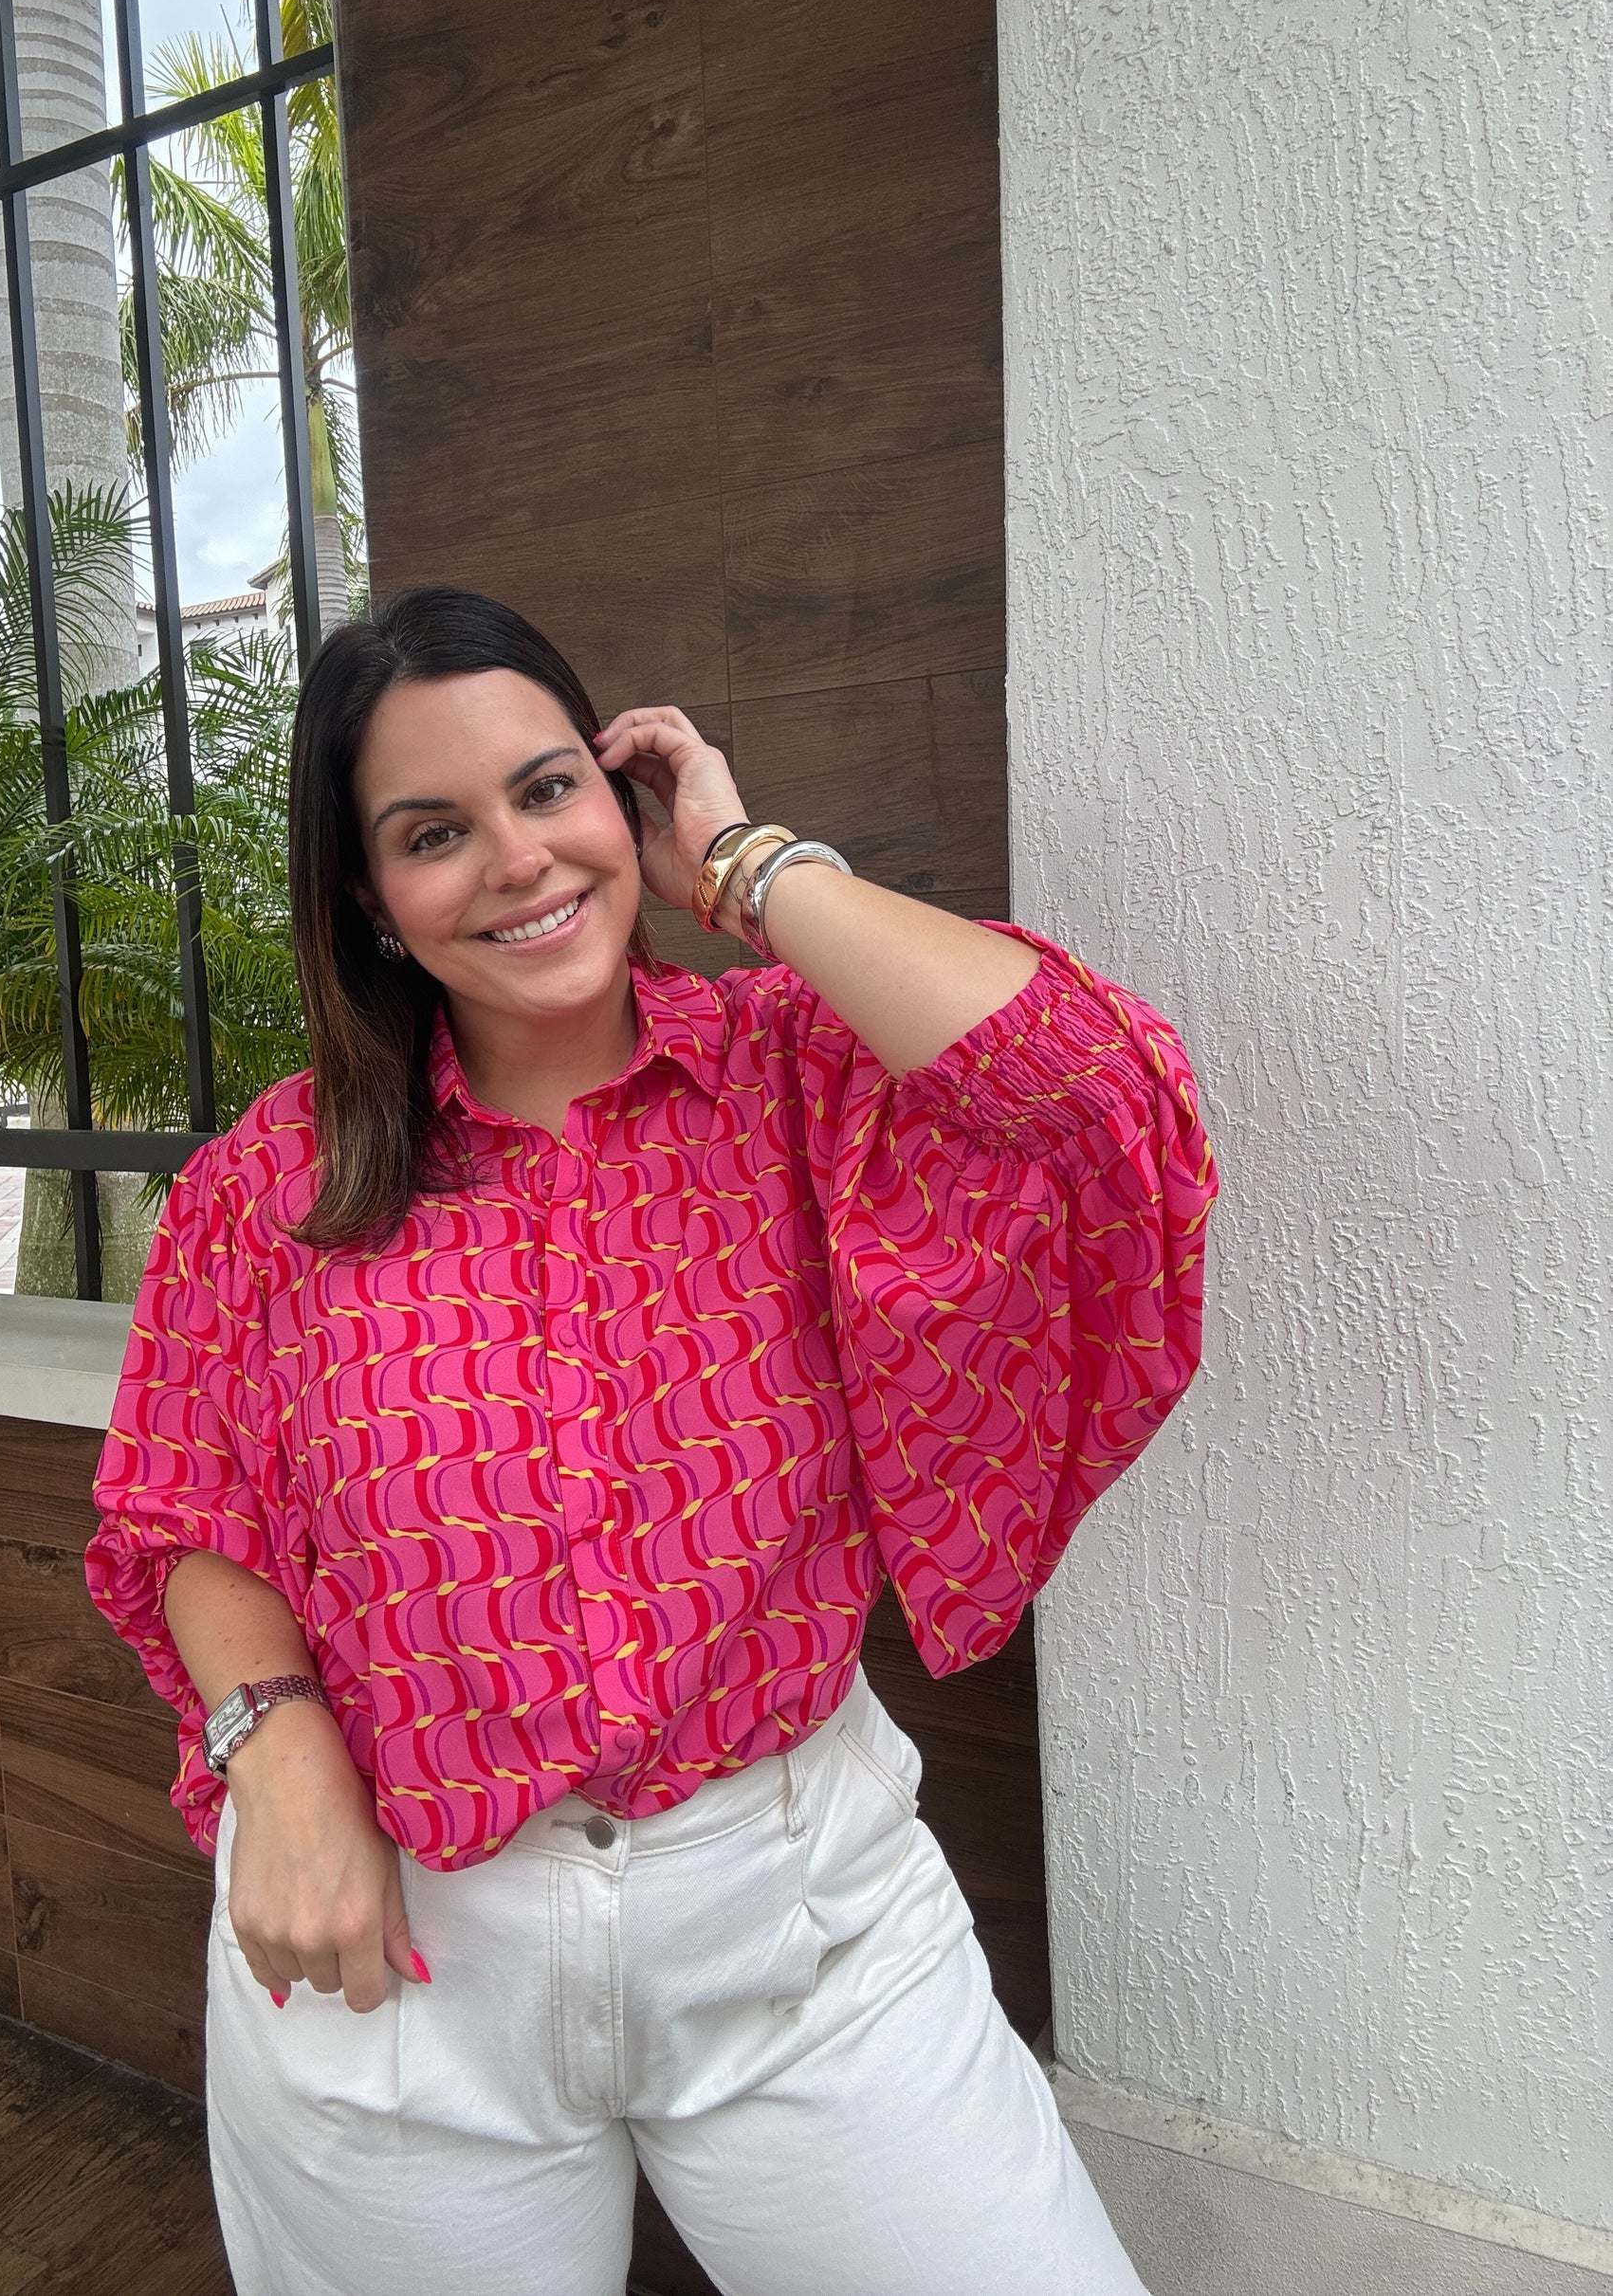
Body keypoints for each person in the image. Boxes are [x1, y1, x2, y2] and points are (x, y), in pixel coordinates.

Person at [86, 585, 1217, 2296]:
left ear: (619, 799)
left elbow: (1098, 1108)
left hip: (802, 1930)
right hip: (406, 1954)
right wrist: (274, 1744)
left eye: (548, 789)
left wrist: (750, 866)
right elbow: (186, 1494)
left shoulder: (799, 1080)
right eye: (432, 832)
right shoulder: (276, 1182)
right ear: (373, 904)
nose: (519, 861)